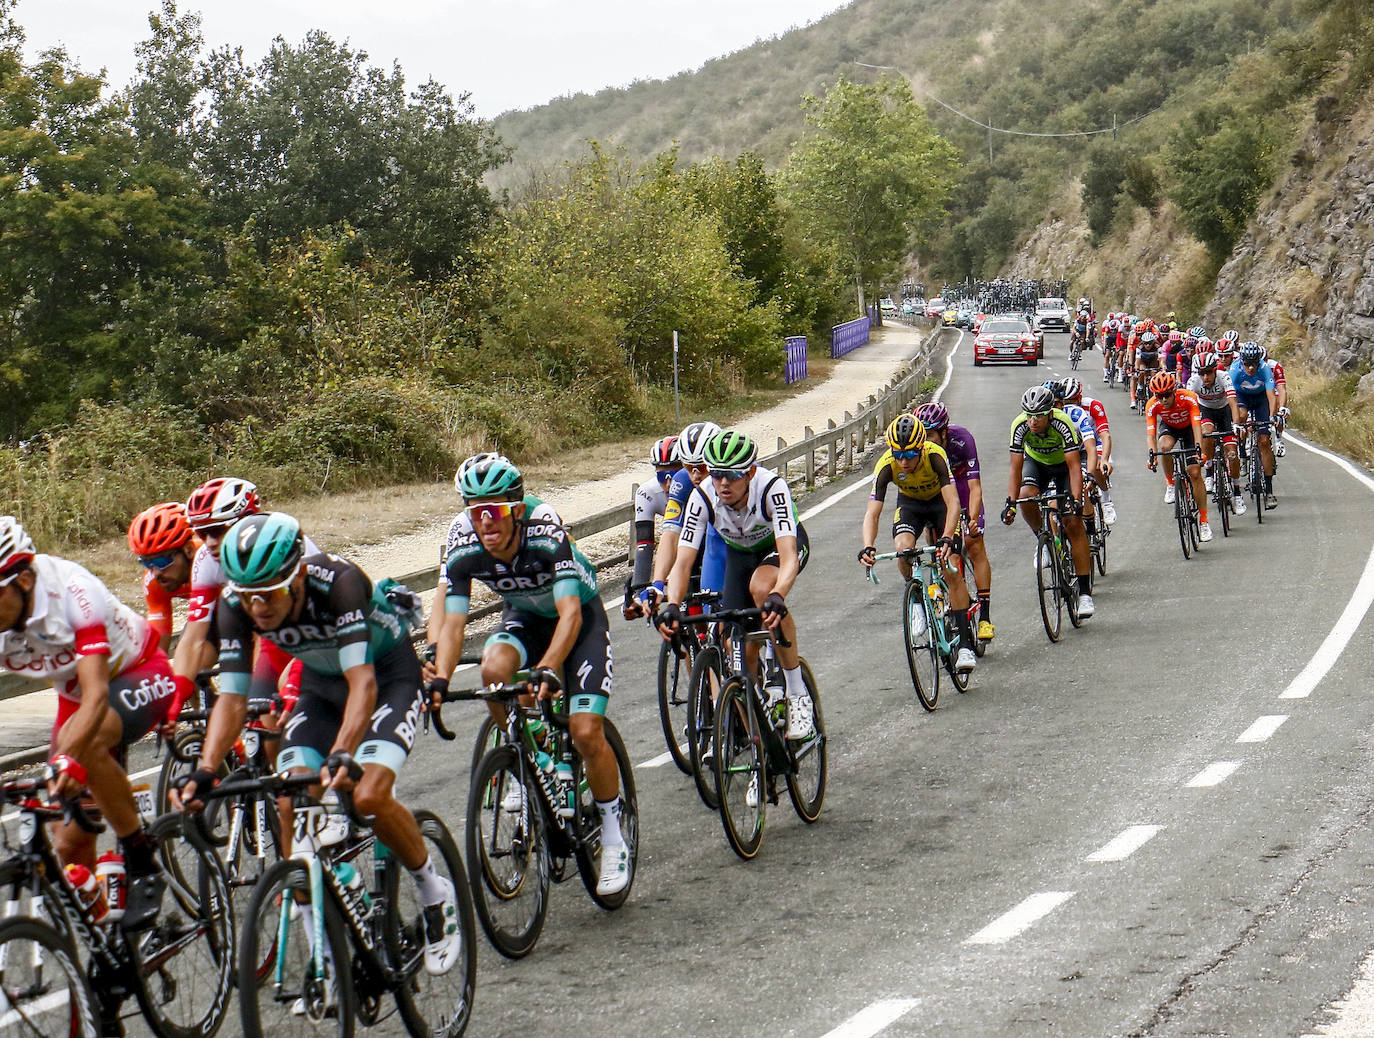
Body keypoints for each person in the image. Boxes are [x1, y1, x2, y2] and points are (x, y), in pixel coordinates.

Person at [203, 511, 463, 974]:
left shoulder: (339, 582)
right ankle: (321, 940)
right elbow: (232, 699)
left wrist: (343, 751)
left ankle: (432, 891)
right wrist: (205, 769)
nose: (259, 607)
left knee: (368, 793)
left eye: (269, 593)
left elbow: (362, 682)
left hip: (386, 678)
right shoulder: (236, 604)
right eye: (248, 597)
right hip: (320, 688)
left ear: (298, 575)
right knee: (290, 801)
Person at [427, 454, 631, 897]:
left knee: (584, 729)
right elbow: (454, 625)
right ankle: (530, 760)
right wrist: (439, 680)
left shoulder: (543, 526)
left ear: (516, 509)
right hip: (522, 616)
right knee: (493, 670)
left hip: (578, 621)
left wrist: (546, 668)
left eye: (495, 510)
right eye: (475, 510)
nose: (485, 521)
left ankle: (614, 833)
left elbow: (570, 614)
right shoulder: (463, 539)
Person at [0, 517, 170, 930]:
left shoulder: (73, 590)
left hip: (139, 673)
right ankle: (103, 946)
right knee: (68, 842)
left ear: (23, 580)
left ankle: (141, 856)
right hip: (74, 697)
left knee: (86, 750)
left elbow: (95, 696)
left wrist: (70, 759)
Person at [657, 430, 816, 734]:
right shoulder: (703, 496)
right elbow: (683, 560)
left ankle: (797, 694)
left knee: (762, 589)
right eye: (716, 474)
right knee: (734, 644)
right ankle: (760, 739)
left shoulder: (771, 488)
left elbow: (789, 557)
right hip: (740, 554)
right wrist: (673, 604)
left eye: (731, 475)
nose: (723, 483)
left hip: (778, 547)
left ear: (750, 472)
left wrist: (779, 594)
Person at [858, 413, 974, 672]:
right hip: (910, 505)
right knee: (903, 550)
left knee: (950, 565)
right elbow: (872, 512)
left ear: (920, 447)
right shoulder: (887, 465)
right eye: (898, 454)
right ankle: (918, 603)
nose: (903, 461)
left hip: (940, 504)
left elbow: (953, 503)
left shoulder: (934, 455)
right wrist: (868, 546)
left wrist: (947, 537)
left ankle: (965, 644)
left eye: (910, 455)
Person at [1001, 385, 1095, 619]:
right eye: (1029, 415)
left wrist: (1075, 500)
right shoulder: (1019, 426)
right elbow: (1015, 469)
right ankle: (1042, 538)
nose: (1033, 421)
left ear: (1050, 413)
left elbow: (1074, 467)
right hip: (1037, 464)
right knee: (1025, 496)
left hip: (1063, 467)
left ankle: (1084, 594)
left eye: (1039, 416)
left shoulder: (1062, 424)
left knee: (1072, 522)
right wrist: (1011, 503)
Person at [915, 401, 994, 642]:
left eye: (930, 435)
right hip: (939, 492)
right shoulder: (918, 449)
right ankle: (945, 589)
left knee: (974, 543)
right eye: (922, 435)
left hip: (962, 488)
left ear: (944, 432)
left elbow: (975, 487)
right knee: (940, 545)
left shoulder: (963, 440)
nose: (925, 441)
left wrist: (972, 517)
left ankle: (984, 617)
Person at [1144, 371, 1212, 541]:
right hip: (1170, 427)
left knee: (1195, 473)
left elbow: (1197, 427)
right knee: (1164, 446)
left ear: (1174, 391)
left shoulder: (1188, 398)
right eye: (1159, 396)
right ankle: (1170, 484)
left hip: (1189, 428)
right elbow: (1151, 435)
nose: (1163, 400)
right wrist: (1151, 456)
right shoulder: (1152, 405)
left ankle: (1204, 521)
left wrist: (1199, 450)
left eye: (1166, 395)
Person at [126, 502, 200, 654]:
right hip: (209, 609)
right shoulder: (153, 581)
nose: (155, 572)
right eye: (147, 563)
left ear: (189, 550)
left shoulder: (214, 560)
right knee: (187, 657)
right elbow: (159, 648)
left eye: (162, 562)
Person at [625, 436, 682, 618]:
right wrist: (639, 589)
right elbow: (644, 544)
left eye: (673, 476)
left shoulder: (699, 486)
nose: (668, 483)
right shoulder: (647, 493)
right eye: (661, 476)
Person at [1186, 351, 1246, 516]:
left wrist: (1236, 425)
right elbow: (1188, 406)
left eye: (1208, 372)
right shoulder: (1193, 382)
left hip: (1225, 411)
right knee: (1206, 433)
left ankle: (1237, 492)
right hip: (1206, 411)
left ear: (1215, 370)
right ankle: (1210, 472)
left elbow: (1233, 403)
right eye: (1202, 373)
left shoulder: (1223, 376)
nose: (1205, 377)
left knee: (1232, 453)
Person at [1229, 342, 1279, 509]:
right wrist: (1237, 423)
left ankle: (1269, 491)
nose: (1250, 368)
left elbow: (1271, 396)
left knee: (1264, 441)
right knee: (1241, 417)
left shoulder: (1265, 369)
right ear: (1241, 361)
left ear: (1259, 362)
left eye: (1254, 364)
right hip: (1242, 398)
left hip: (1260, 400)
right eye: (1247, 364)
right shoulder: (1235, 370)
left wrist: (1272, 418)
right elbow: (1231, 398)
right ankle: (1242, 453)